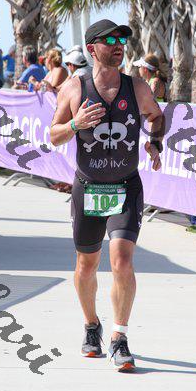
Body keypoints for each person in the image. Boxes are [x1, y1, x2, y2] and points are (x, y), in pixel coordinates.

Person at [50, 19, 163, 372]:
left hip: (126, 186)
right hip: (88, 187)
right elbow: (53, 135)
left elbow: (157, 116)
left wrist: (155, 142)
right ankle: (91, 326)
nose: (118, 46)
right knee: (86, 265)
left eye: (121, 41)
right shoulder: (74, 88)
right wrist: (76, 124)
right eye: (110, 40)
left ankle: (119, 336)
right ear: (91, 48)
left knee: (122, 261)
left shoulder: (137, 86)